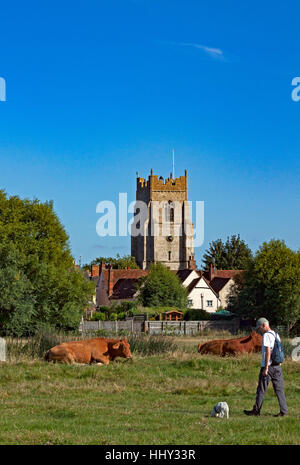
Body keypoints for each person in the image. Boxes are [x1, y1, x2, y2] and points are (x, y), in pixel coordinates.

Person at [243, 317, 288, 417]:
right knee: (280, 390)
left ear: (264, 325)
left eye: (259, 329)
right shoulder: (276, 335)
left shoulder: (267, 335)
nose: (259, 332)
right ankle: (284, 411)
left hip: (269, 367)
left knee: (261, 390)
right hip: (277, 367)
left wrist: (266, 367)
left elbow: (268, 352)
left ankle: (256, 411)